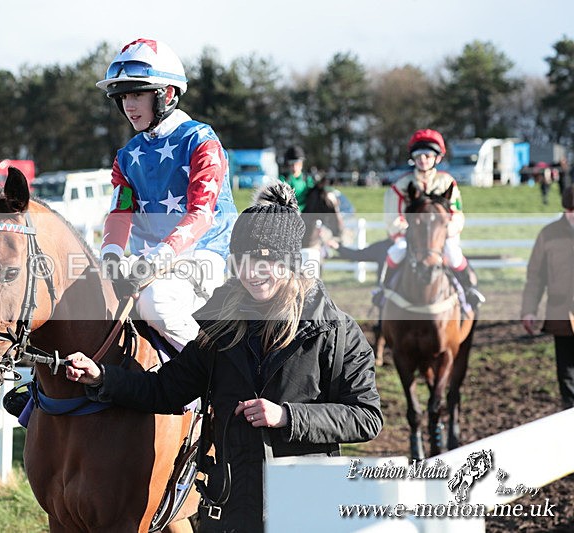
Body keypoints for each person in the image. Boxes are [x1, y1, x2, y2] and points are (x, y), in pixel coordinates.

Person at [65, 183, 382, 531]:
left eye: (265, 258)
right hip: (231, 504)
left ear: (290, 262)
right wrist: (102, 377)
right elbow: (167, 389)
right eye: (243, 259)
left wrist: (287, 417)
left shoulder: (333, 331)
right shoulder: (220, 328)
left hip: (305, 505)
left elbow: (365, 417)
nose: (252, 271)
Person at [97, 37, 238, 352]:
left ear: (168, 94)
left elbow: (201, 214)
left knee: (157, 303)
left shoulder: (201, 141)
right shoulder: (126, 155)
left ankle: (210, 374)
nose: (128, 106)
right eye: (122, 97)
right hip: (150, 260)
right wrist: (111, 255)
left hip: (207, 256)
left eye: (137, 94)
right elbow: (120, 212)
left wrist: (156, 259)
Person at [381, 129, 486, 310]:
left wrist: (447, 230)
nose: (423, 159)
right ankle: (383, 290)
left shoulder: (447, 182)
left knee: (453, 254)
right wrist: (411, 230)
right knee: (397, 251)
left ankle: (469, 290)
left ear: (437, 158)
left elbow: (457, 213)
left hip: (441, 235)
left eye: (428, 155)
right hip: (411, 235)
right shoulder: (400, 185)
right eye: (418, 155)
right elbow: (392, 217)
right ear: (413, 158)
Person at [521, 186, 574, 410]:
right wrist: (529, 309)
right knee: (567, 374)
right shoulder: (549, 234)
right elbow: (535, 276)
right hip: (562, 314)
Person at [278, 145, 314, 212]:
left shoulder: (308, 180)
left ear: (302, 163)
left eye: (297, 164)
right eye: (292, 164)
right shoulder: (282, 179)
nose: (294, 167)